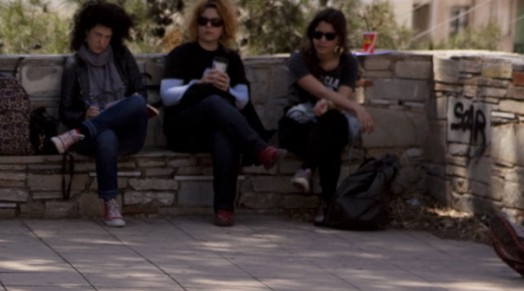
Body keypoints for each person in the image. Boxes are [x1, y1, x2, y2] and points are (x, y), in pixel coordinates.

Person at [160, 0, 284, 227]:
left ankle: (224, 209)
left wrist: (227, 89)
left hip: (216, 127)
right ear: (195, 24)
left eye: (215, 22)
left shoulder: (231, 58)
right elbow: (167, 96)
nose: (209, 26)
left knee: (223, 133)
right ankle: (258, 148)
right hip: (185, 127)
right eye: (203, 21)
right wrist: (198, 83)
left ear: (224, 26)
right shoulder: (181, 54)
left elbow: (242, 100)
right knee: (212, 102)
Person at [49, 2, 153, 228]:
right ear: (85, 32)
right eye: (98, 35)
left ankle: (77, 133)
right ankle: (110, 203)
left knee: (137, 101)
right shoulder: (74, 65)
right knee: (106, 136)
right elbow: (65, 111)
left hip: (128, 134)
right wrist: (85, 114)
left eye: (107, 37)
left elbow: (141, 94)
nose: (102, 42)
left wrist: (124, 104)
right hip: (96, 139)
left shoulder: (122, 56)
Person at [279, 8, 375, 225]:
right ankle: (327, 204)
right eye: (317, 34)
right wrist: (356, 108)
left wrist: (330, 104)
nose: (322, 40)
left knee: (333, 123)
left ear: (339, 38)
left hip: (327, 125)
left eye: (329, 36)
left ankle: (306, 171)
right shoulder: (299, 59)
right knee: (330, 140)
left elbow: (341, 96)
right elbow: (319, 90)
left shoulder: (348, 62)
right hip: (297, 127)